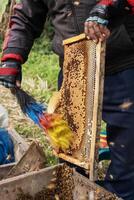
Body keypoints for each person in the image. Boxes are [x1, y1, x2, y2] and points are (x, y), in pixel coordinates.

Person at [0, 0, 134, 199]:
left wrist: (110, 5)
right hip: (75, 66)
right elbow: (25, 15)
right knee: (72, 148)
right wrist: (12, 56)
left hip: (122, 64)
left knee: (128, 147)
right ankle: (77, 191)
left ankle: (121, 193)